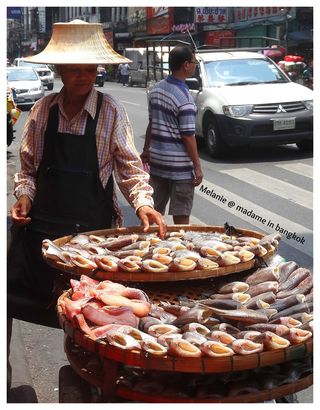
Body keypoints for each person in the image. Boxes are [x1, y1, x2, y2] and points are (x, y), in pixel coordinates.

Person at [7, 20, 166, 328]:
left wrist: (143, 203)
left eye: (90, 69)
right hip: (42, 238)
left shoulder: (111, 111)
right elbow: (28, 169)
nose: (83, 76)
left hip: (91, 242)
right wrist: (24, 196)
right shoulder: (42, 110)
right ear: (60, 71)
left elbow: (130, 170)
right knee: (10, 300)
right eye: (75, 69)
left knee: (90, 323)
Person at [141, 44, 203, 225]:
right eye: (194, 62)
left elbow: (152, 123)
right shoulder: (185, 99)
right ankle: (181, 250)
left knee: (153, 212)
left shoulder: (156, 90)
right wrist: (197, 166)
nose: (194, 65)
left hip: (158, 162)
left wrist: (146, 150)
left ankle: (148, 247)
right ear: (185, 65)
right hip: (180, 168)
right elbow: (188, 136)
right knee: (181, 215)